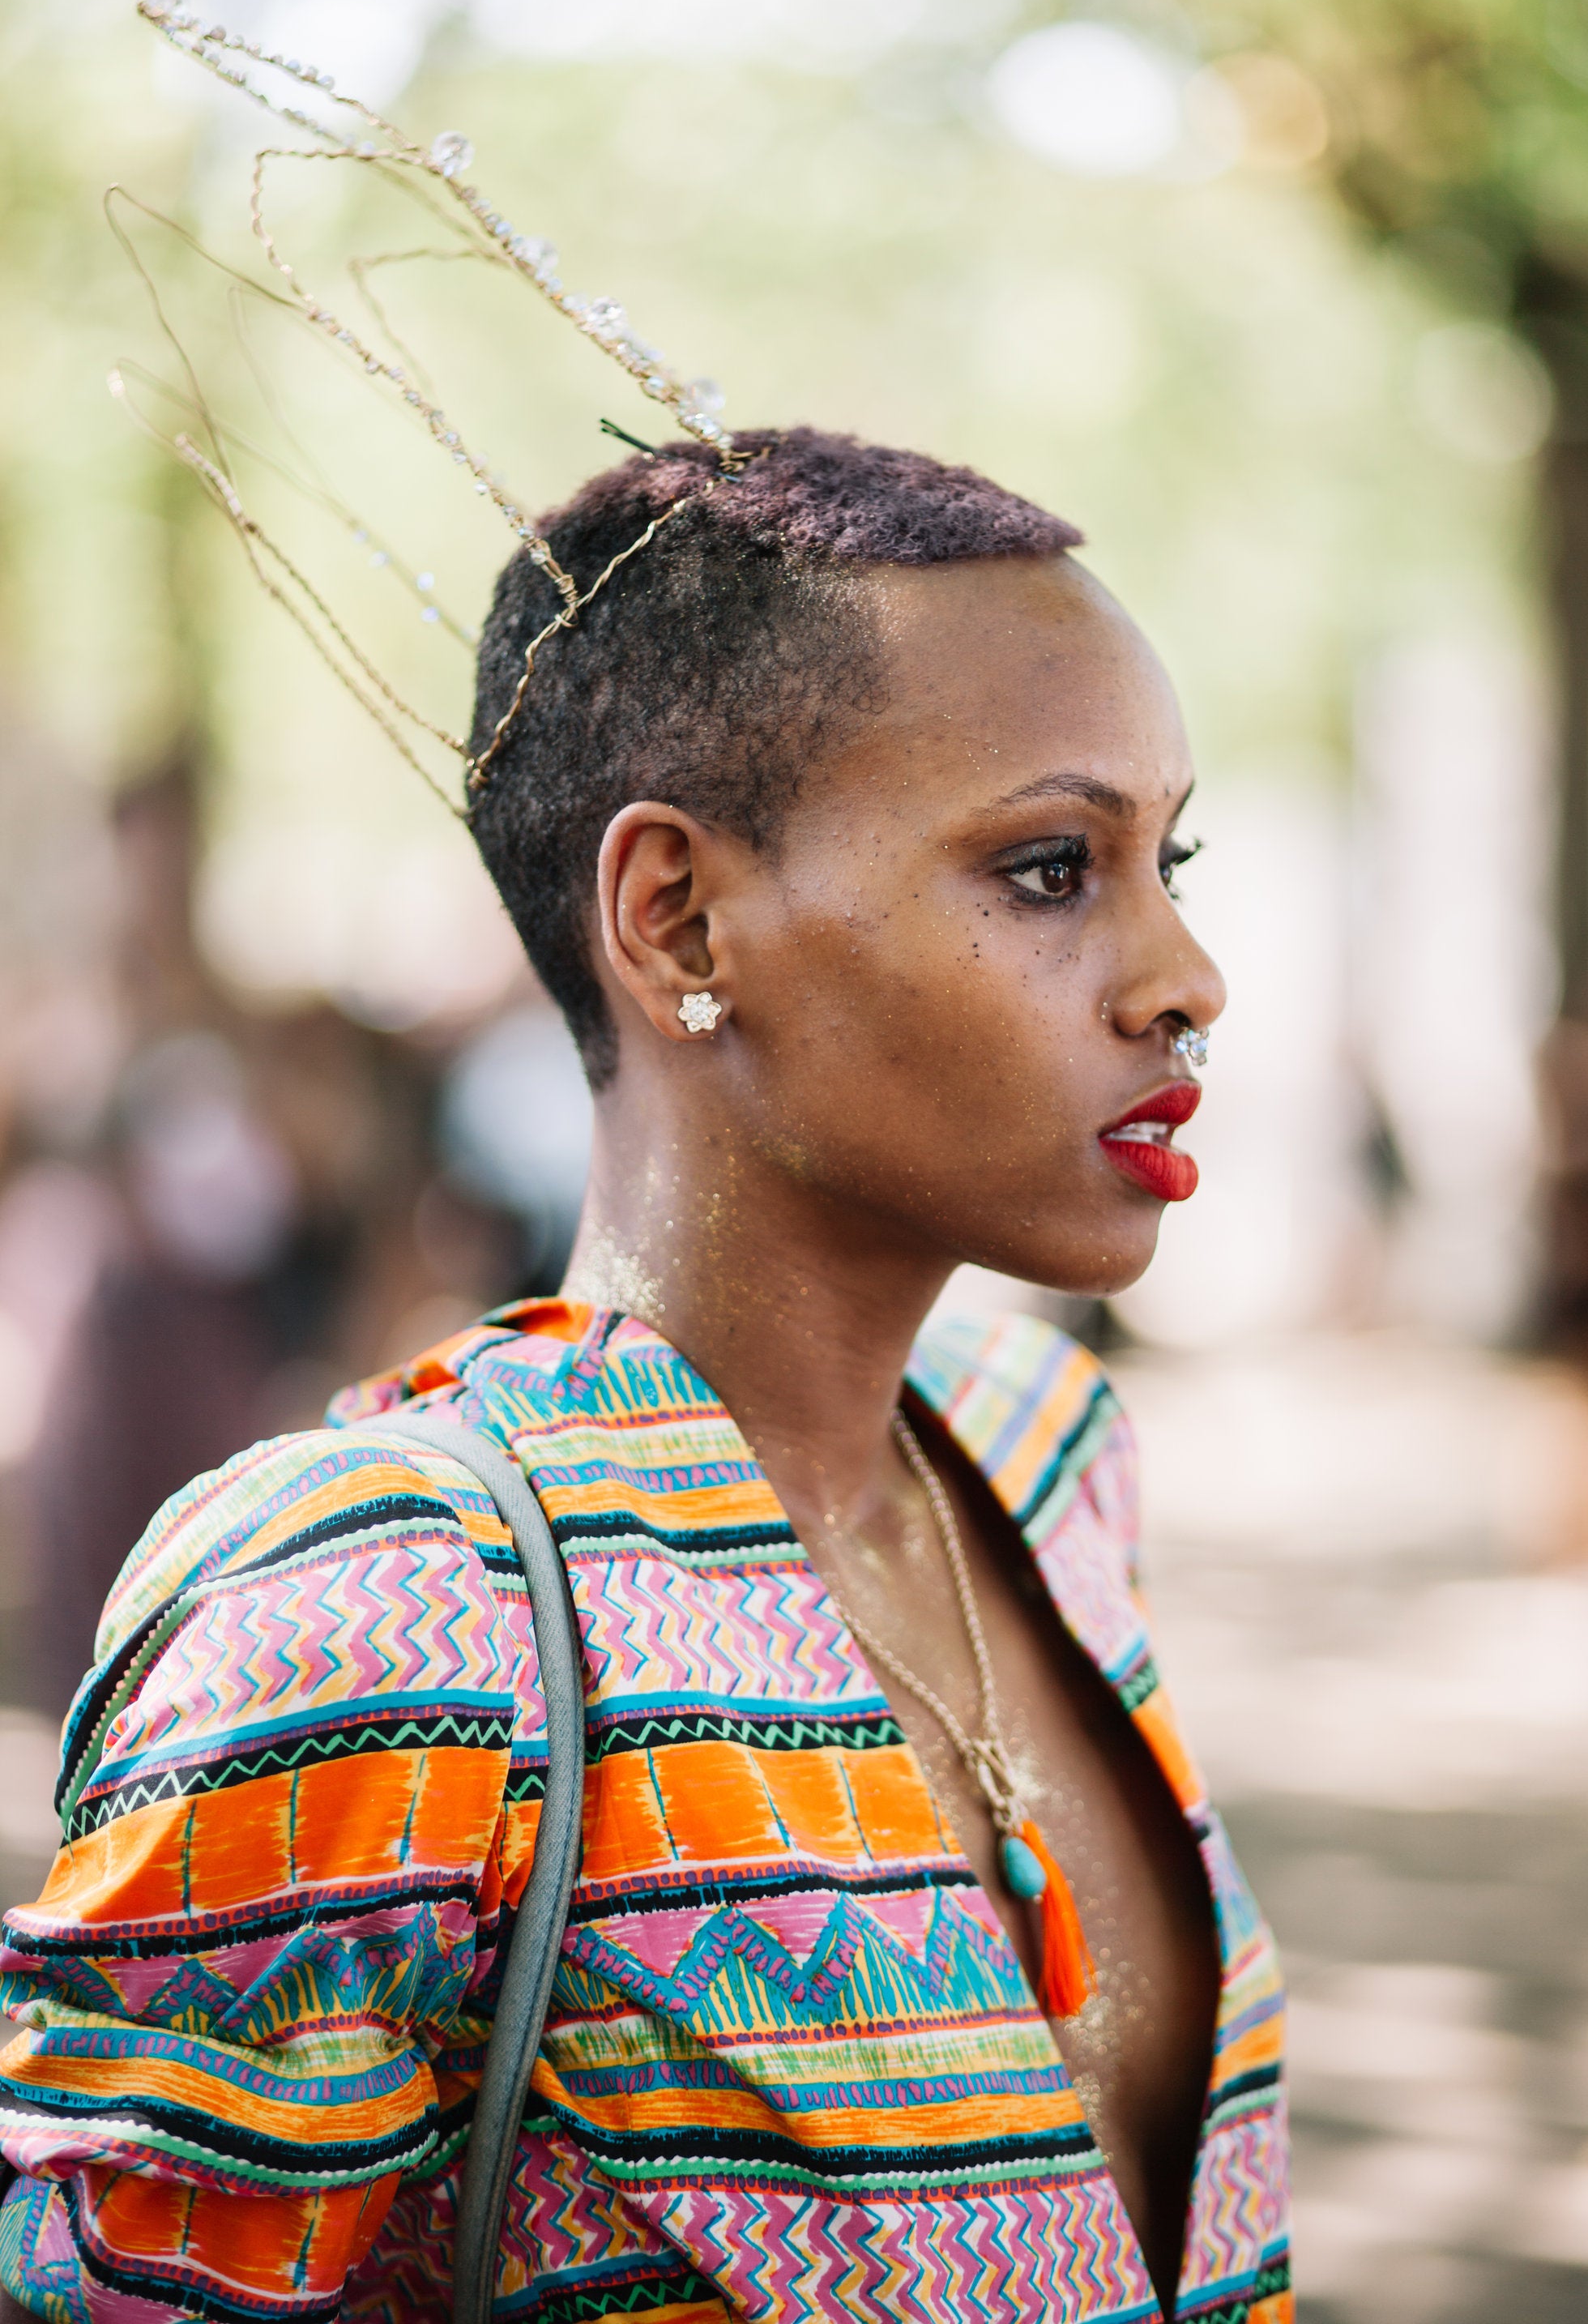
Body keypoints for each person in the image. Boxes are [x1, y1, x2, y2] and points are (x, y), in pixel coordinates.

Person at [0, 430, 1288, 2324]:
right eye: (1047, 869)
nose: (1183, 973)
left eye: (1161, 860)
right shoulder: (383, 1611)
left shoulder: (1040, 1460)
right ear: (677, 917)